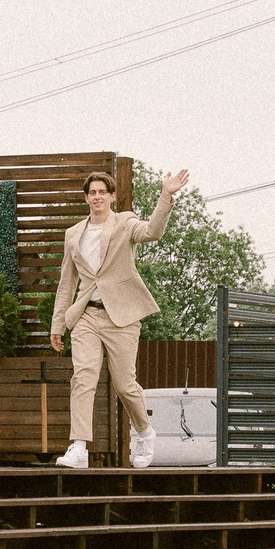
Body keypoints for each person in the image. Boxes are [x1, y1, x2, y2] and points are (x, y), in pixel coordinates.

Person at [48, 166, 187, 469]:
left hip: (121, 318)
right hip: (86, 315)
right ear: (86, 198)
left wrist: (166, 195)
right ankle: (79, 447)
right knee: (83, 377)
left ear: (112, 196)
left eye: (102, 192)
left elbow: (153, 231)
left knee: (125, 385)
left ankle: (145, 432)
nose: (97, 197)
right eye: (92, 192)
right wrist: (57, 325)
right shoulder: (73, 234)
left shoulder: (125, 222)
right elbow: (66, 283)